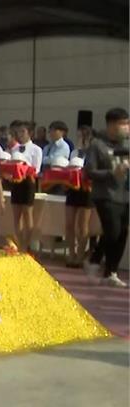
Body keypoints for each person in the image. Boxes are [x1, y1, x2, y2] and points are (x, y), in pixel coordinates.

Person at [84, 107, 130, 287]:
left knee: (122, 233)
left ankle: (111, 272)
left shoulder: (126, 144)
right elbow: (90, 172)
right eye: (123, 124)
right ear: (111, 125)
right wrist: (112, 173)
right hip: (105, 195)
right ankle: (95, 260)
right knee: (112, 230)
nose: (126, 127)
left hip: (125, 195)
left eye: (128, 123)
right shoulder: (97, 145)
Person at [8, 120, 43, 253]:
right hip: (16, 183)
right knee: (16, 215)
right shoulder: (14, 148)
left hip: (28, 182)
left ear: (30, 133)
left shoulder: (36, 149)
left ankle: (26, 244)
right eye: (18, 132)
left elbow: (37, 169)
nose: (20, 134)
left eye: (23, 131)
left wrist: (24, 168)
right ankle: (18, 243)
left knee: (27, 214)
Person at [65, 124, 94, 268]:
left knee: (82, 226)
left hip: (86, 190)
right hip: (72, 189)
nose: (79, 139)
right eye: (78, 136)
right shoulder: (74, 152)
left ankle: (81, 255)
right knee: (69, 224)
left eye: (81, 136)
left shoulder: (93, 152)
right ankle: (71, 253)